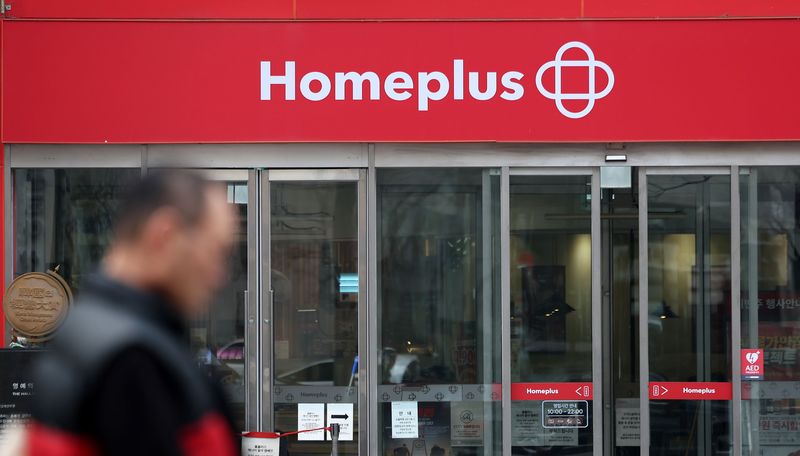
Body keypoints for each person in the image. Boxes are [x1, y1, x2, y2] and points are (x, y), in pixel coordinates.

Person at [26, 171, 238, 455]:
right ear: (165, 235)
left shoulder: (85, 330)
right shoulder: (133, 361)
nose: (221, 275)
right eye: (216, 252)